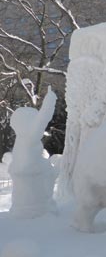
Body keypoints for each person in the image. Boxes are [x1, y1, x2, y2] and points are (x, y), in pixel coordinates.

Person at [8, 86, 57, 217]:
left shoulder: (21, 141)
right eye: (33, 120)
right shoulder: (28, 138)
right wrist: (49, 102)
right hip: (32, 190)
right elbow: (41, 121)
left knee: (49, 171)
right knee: (50, 173)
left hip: (25, 185)